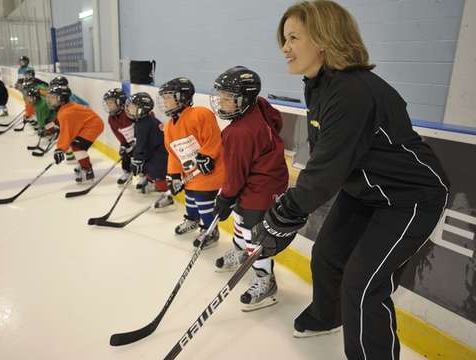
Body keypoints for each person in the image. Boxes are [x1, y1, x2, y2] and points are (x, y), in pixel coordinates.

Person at [251, 1, 450, 359]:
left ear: (325, 39)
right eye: (284, 38)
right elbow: (328, 158)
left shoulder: (352, 91)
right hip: (365, 190)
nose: (284, 47)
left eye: (293, 37)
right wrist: (287, 213)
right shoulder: (318, 84)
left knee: (363, 285)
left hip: (410, 196)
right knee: (327, 255)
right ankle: (328, 317)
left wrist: (285, 212)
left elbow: (327, 169)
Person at [210, 66, 289, 311]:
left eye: (228, 97)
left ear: (244, 99)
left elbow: (235, 176)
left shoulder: (238, 132)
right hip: (264, 180)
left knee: (256, 238)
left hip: (261, 189)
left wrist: (225, 198)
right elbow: (277, 120)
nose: (221, 102)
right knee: (241, 224)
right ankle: (239, 252)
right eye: (221, 94)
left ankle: (266, 282)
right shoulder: (259, 105)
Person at [160, 77, 225, 249]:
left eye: (168, 97)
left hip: (210, 171)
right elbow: (173, 154)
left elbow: (214, 137)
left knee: (203, 200)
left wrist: (208, 155)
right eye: (164, 97)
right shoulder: (168, 127)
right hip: (190, 174)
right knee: (190, 198)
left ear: (182, 97)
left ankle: (210, 230)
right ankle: (192, 220)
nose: (164, 101)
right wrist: (174, 175)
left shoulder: (200, 114)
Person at [125, 92, 174, 210]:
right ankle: (154, 184)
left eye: (132, 106)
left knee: (158, 174)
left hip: (160, 154)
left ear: (142, 109)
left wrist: (137, 159)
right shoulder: (144, 121)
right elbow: (141, 144)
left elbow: (141, 145)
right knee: (147, 167)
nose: (128, 109)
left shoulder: (143, 124)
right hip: (155, 151)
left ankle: (167, 196)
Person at [48, 85, 105, 183]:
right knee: (76, 146)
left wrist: (60, 149)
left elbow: (66, 133)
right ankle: (83, 165)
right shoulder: (65, 109)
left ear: (61, 98)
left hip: (93, 126)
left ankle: (87, 171)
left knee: (77, 147)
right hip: (87, 125)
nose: (50, 100)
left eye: (53, 97)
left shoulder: (65, 113)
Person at [103, 88, 135, 185]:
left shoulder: (130, 112)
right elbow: (119, 134)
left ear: (119, 102)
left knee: (140, 156)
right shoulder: (111, 119)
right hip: (129, 141)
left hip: (141, 140)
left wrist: (136, 143)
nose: (108, 106)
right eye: (107, 103)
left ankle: (145, 177)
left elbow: (142, 126)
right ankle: (127, 172)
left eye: (111, 103)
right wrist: (124, 145)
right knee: (125, 154)